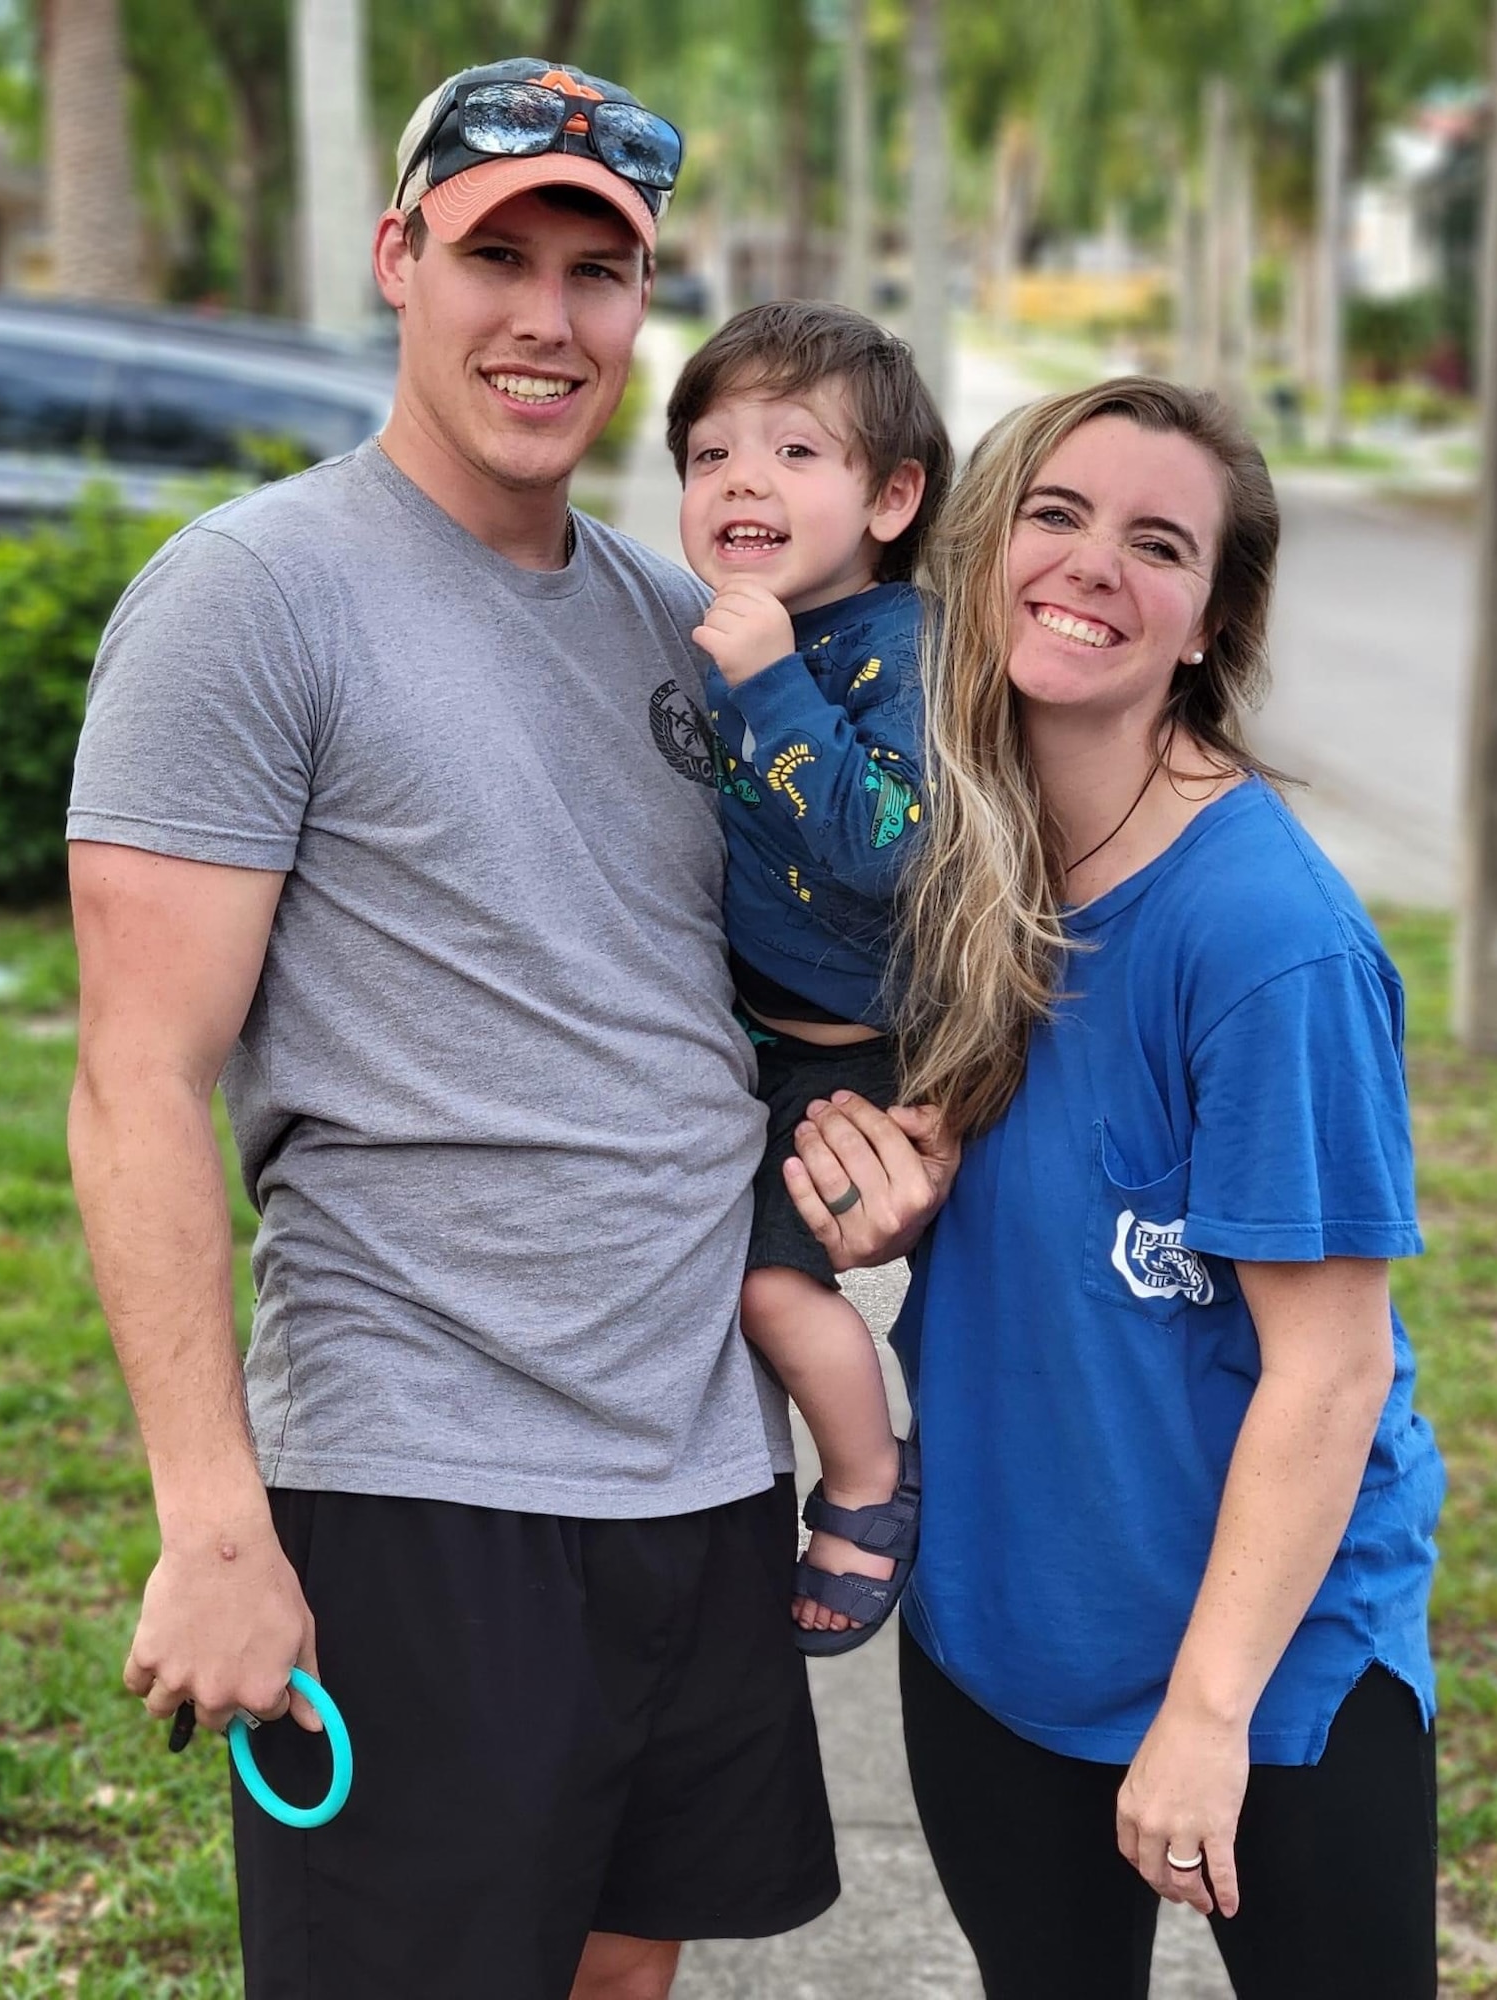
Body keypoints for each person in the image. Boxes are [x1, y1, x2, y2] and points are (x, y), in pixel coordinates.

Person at [64, 55, 944, 2000]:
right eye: (497, 254)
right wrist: (211, 1516)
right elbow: (135, 1081)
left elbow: (782, 984)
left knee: (623, 1974)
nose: (547, 318)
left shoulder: (688, 623)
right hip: (418, 1482)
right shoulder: (248, 599)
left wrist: (899, 1144)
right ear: (400, 257)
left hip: (698, 1469)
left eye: (596, 270)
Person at [827, 376, 1447, 1998]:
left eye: (1157, 543)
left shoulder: (1269, 945)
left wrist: (1208, 1712)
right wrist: (892, 1199)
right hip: (1002, 1626)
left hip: (1270, 1663)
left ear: (1204, 626)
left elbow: (1332, 1368)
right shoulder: (968, 850)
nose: (1095, 563)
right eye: (1058, 513)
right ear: (986, 550)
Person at [665, 302, 952, 1650]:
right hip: (754, 1040)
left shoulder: (908, 649)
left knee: (776, 1288)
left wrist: (776, 690)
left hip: (871, 1054)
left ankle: (868, 1480)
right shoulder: (724, 628)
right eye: (710, 455)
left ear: (891, 497)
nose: (743, 482)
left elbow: (889, 852)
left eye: (793, 451)